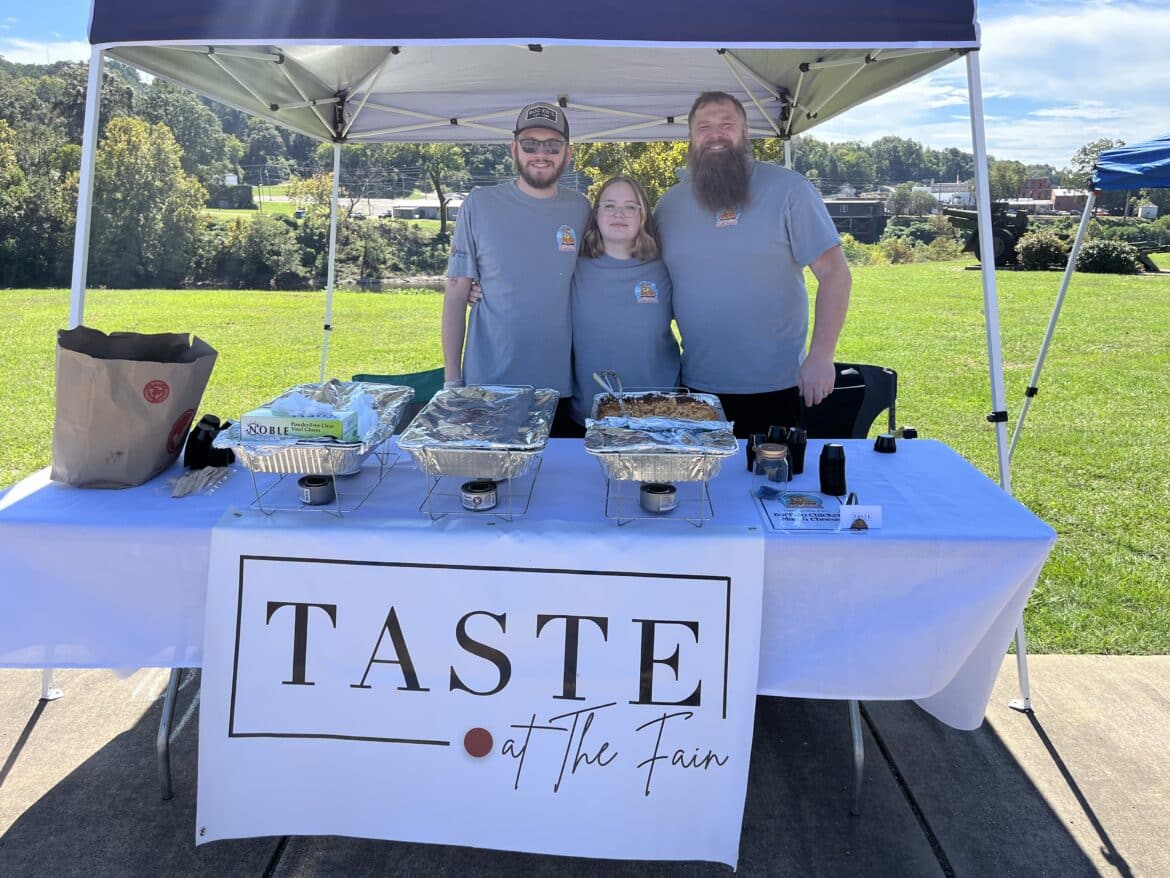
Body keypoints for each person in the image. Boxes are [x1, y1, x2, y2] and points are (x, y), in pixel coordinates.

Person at [654, 91, 852, 438]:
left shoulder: (789, 190)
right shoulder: (669, 206)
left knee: (772, 473)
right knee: (704, 476)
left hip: (778, 387)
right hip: (696, 387)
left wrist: (822, 356)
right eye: (704, 127)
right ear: (691, 137)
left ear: (745, 133)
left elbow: (835, 274)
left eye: (727, 125)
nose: (715, 135)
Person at [442, 101, 591, 436]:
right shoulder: (479, 204)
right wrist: (452, 380)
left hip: (557, 387)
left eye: (553, 146)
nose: (541, 154)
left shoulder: (581, 209)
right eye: (530, 145)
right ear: (514, 149)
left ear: (568, 153)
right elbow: (455, 294)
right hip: (488, 386)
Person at [567, 176, 680, 432]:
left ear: (643, 216)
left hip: (660, 416)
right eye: (609, 205)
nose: (619, 214)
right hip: (590, 417)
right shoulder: (573, 269)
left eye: (630, 206)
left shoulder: (667, 268)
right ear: (596, 214)